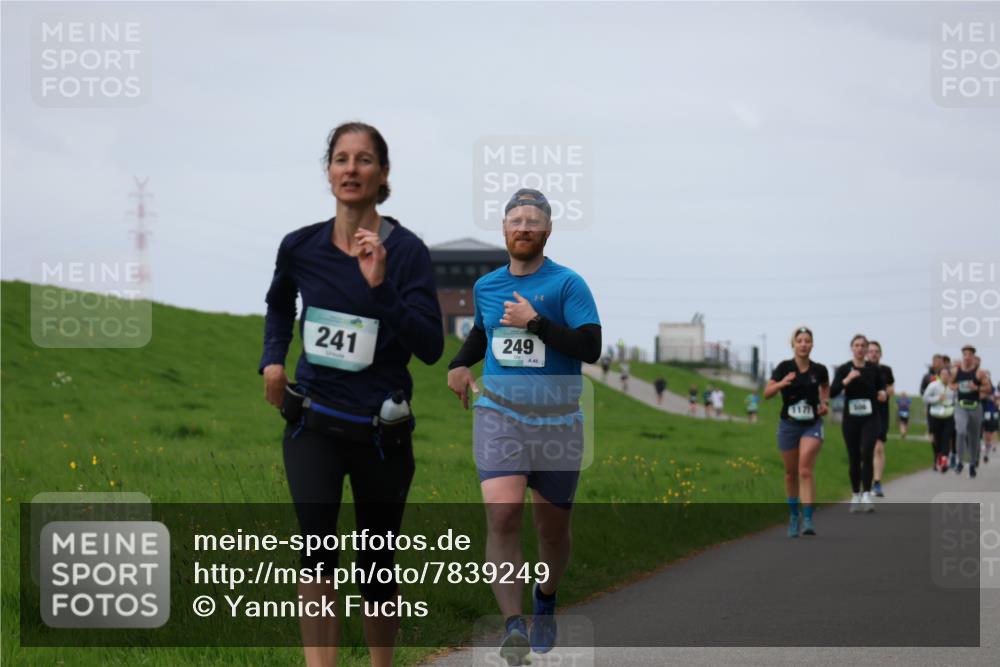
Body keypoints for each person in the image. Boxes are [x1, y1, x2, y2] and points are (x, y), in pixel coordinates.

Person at [260, 122, 444, 667]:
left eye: (364, 160)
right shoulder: (300, 246)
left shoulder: (407, 252)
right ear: (328, 171)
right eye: (341, 159)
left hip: (380, 435)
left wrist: (379, 286)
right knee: (316, 554)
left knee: (376, 564)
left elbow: (431, 346)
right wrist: (273, 359)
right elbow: (278, 304)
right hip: (313, 423)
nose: (351, 169)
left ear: (383, 174)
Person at [445, 188, 601, 664]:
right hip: (500, 415)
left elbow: (590, 347)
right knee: (503, 513)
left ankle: (546, 599)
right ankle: (513, 626)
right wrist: (458, 363)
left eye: (534, 221)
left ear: (548, 230)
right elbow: (483, 331)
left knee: (552, 531)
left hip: (558, 424)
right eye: (516, 220)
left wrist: (536, 323)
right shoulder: (487, 286)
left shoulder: (568, 285)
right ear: (505, 229)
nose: (524, 228)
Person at [763, 326, 829, 537]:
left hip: (812, 424)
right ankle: (794, 516)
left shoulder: (819, 370)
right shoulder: (784, 367)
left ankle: (808, 519)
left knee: (804, 470)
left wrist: (824, 402)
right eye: (799, 341)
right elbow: (767, 393)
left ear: (812, 344)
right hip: (788, 425)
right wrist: (782, 383)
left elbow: (826, 387)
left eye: (807, 340)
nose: (803, 344)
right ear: (793, 344)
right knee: (791, 474)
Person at [830, 334, 886, 513]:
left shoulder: (874, 369)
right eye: (857, 345)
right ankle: (855, 494)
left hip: (871, 417)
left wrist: (883, 394)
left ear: (867, 349)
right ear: (852, 348)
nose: (860, 348)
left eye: (863, 345)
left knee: (868, 453)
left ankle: (867, 495)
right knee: (854, 457)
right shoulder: (844, 368)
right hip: (851, 419)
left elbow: (882, 388)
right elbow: (832, 392)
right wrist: (847, 379)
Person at [954, 345, 989, 477]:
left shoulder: (980, 373)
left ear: (974, 358)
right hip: (961, 406)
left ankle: (973, 464)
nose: (967, 357)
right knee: (961, 431)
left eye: (970, 354)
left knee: (974, 438)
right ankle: (960, 461)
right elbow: (950, 383)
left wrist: (977, 388)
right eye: (965, 354)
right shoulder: (956, 370)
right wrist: (955, 386)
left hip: (975, 407)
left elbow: (988, 388)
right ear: (962, 356)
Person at [866, 341, 894, 498]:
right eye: (871, 351)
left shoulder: (885, 370)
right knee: (865, 450)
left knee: (878, 448)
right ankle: (865, 480)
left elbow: (891, 388)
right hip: (864, 413)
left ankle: (876, 482)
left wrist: (884, 393)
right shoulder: (861, 369)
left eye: (876, 351)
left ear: (881, 354)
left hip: (881, 413)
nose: (873, 353)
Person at [923, 367, 956, 473]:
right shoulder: (933, 386)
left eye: (947, 374)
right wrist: (937, 398)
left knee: (946, 438)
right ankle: (937, 456)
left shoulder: (953, 387)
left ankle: (944, 461)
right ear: (940, 375)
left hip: (949, 416)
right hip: (935, 415)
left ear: (950, 376)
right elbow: (925, 398)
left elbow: (957, 399)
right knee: (936, 438)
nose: (945, 376)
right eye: (943, 374)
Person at [982, 379, 998, 463]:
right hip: (985, 414)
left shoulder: (995, 391)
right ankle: (987, 447)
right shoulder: (982, 391)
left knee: (994, 430)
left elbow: (998, 401)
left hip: (994, 413)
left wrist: (995, 400)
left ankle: (993, 445)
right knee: (987, 433)